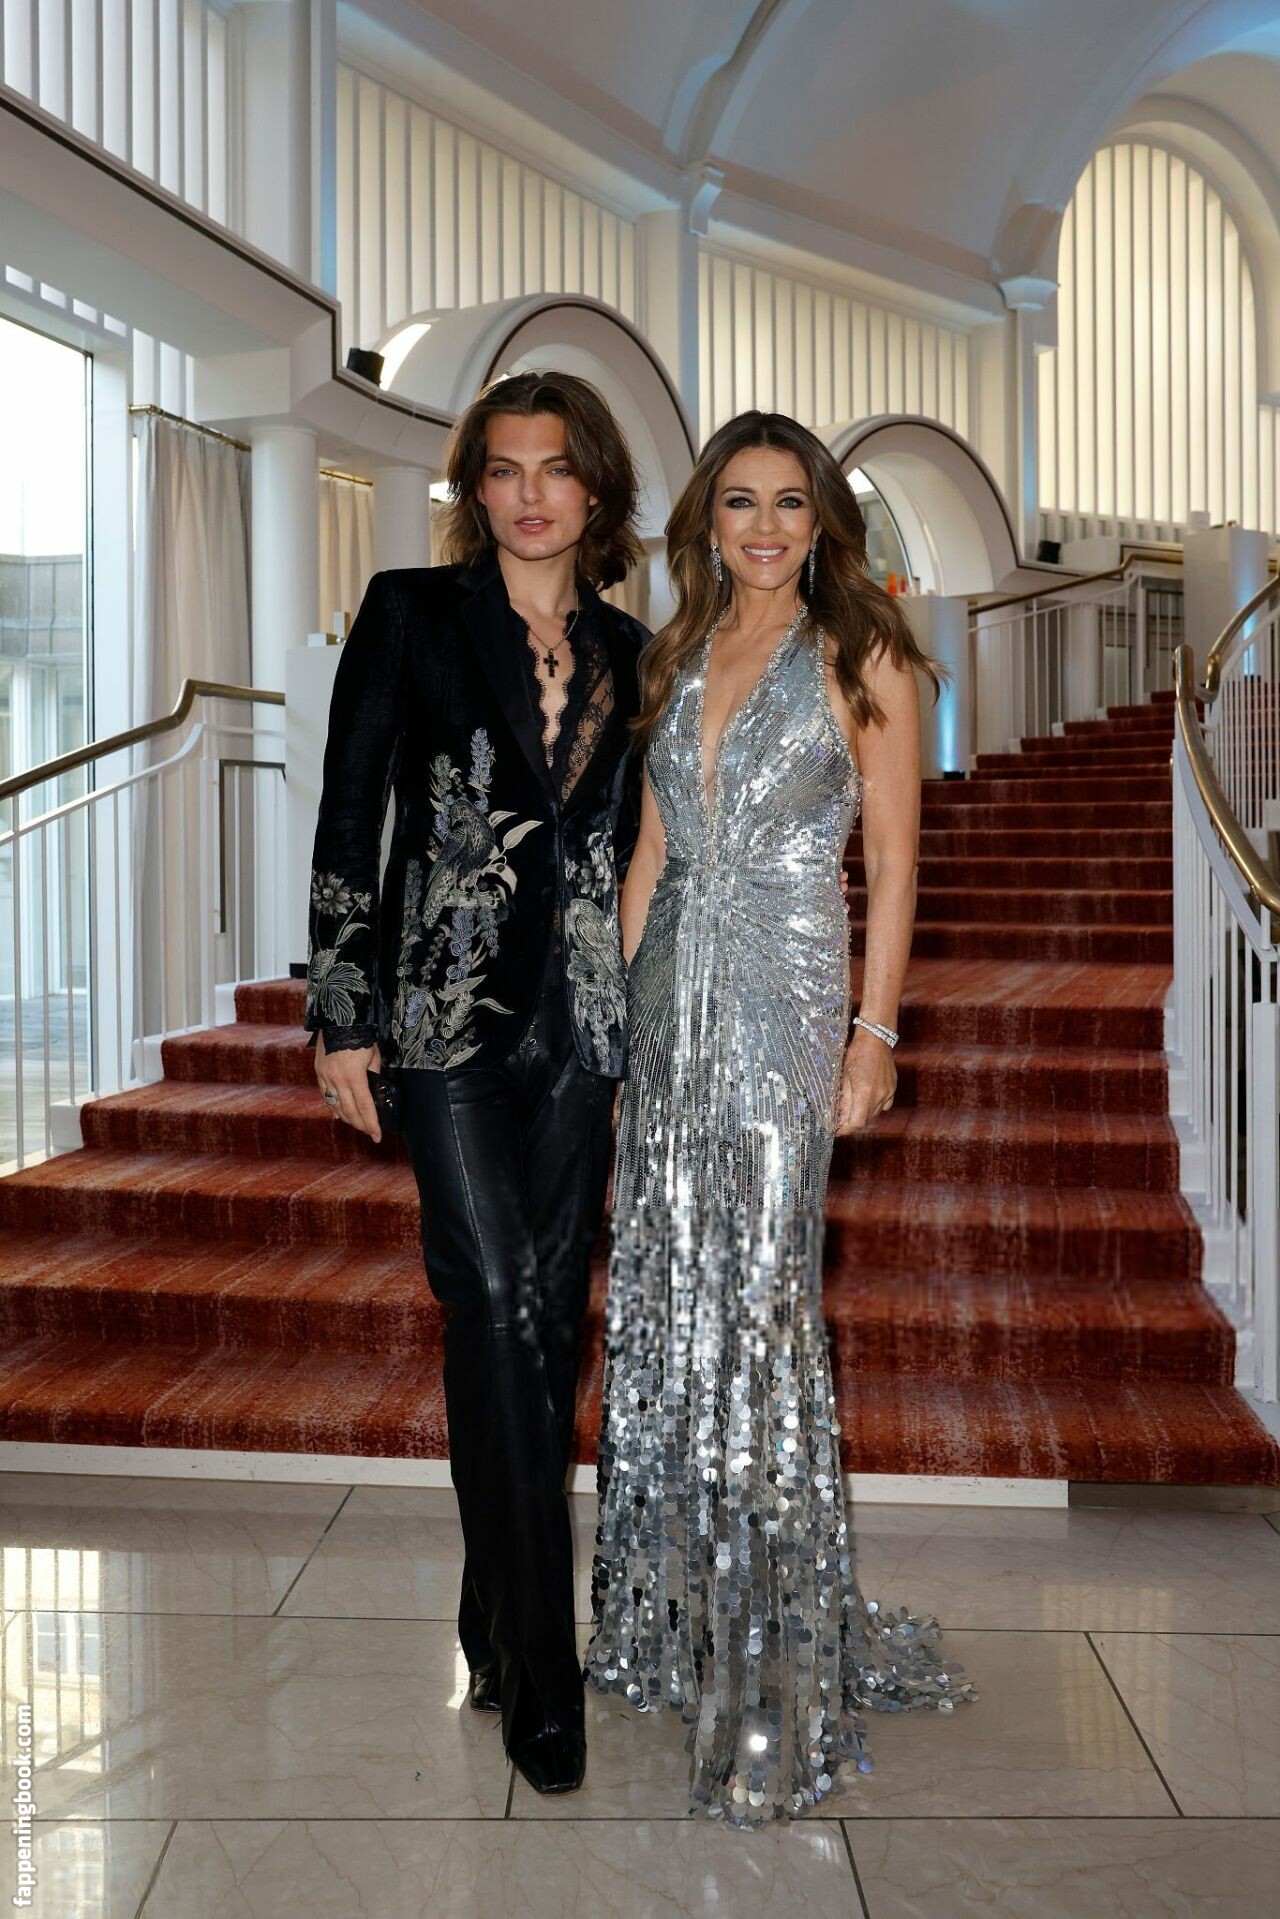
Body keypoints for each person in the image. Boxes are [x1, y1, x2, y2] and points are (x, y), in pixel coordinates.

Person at [585, 410, 978, 1826]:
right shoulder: (674, 653)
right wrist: (615, 1036)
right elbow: (647, 853)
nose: (763, 527)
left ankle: (770, 1661)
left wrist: (876, 1033)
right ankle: (675, 1621)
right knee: (665, 1296)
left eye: (789, 503)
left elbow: (895, 860)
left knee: (758, 1309)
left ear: (823, 524)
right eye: (740, 502)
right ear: (707, 520)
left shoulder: (863, 652)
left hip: (785, 1001)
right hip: (669, 1001)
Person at [303, 370, 650, 1797]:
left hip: (583, 1030)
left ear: (594, 487)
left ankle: (488, 1608)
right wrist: (342, 1015)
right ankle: (544, 1675)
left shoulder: (635, 651)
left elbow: (634, 848)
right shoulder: (410, 614)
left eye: (553, 468)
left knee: (542, 1327)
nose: (527, 494)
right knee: (496, 1298)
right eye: (502, 470)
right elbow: (348, 813)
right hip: (441, 1021)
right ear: (476, 490)